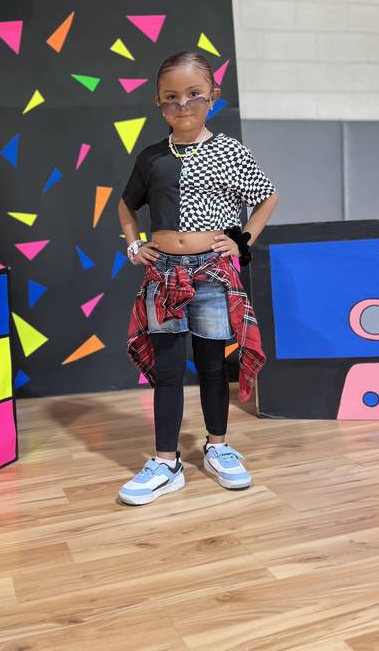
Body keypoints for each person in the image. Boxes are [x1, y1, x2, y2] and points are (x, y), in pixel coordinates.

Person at [117, 50, 278, 506]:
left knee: (211, 365)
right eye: (171, 97)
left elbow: (266, 196)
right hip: (164, 275)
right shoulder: (152, 157)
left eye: (193, 95)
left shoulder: (231, 152)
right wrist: (134, 245)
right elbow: (126, 205)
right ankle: (165, 462)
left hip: (211, 274)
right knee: (168, 369)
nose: (182, 105)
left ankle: (218, 446)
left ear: (213, 97)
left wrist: (242, 241)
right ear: (158, 102)